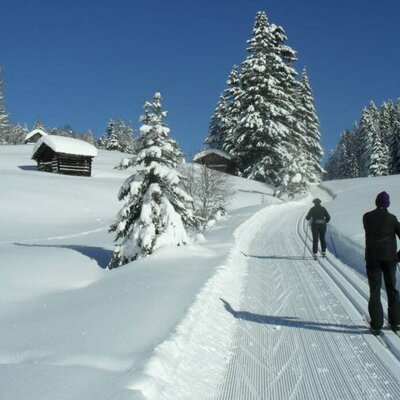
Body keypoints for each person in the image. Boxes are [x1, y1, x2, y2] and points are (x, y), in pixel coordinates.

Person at [363, 191, 400, 335]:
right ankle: (396, 322)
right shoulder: (392, 219)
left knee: (375, 290)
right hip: (390, 259)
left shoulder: (367, 217)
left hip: (373, 259)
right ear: (388, 204)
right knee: (392, 289)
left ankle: (377, 324)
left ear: (376, 202)